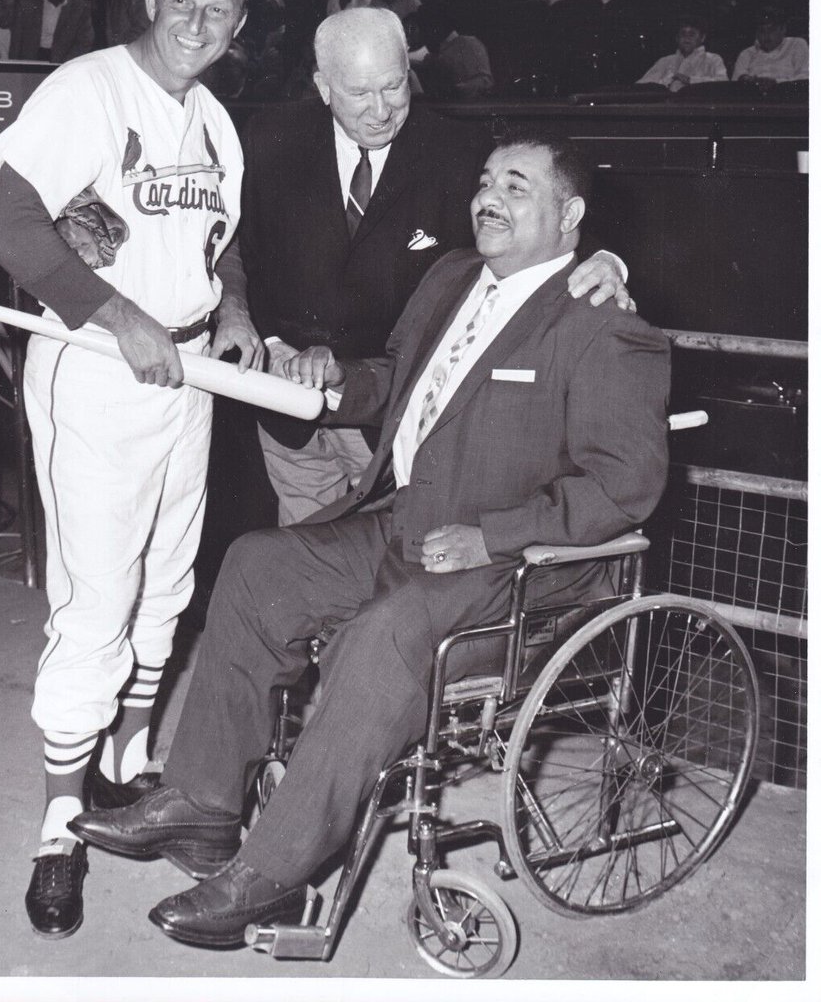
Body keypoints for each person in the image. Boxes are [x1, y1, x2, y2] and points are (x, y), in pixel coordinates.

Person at [69, 129, 671, 949]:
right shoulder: (453, 274)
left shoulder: (601, 323)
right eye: (486, 178)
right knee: (257, 566)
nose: (488, 197)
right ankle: (203, 805)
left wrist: (493, 536)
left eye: (517, 187)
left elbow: (622, 486)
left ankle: (274, 872)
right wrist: (334, 377)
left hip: (519, 567)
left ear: (569, 215)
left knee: (380, 638)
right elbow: (400, 381)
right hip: (405, 521)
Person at [0, 0, 260, 940]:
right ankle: (58, 826)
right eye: (181, 1)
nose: (197, 24)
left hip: (188, 374)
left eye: (217, 10)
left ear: (239, 22)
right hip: (97, 369)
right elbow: (8, 225)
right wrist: (117, 315)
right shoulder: (86, 89)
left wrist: (230, 310)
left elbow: (219, 244)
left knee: (166, 583)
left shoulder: (216, 122)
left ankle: (131, 772)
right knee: (95, 597)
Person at [218, 7, 629, 526]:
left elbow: (550, 217)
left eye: (393, 87)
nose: (380, 111)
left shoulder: (461, 152)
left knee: (397, 556)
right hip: (283, 402)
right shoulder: (268, 137)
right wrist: (273, 343)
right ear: (323, 87)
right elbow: (241, 246)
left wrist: (606, 259)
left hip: (392, 411)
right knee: (303, 555)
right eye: (359, 94)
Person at [9, 0, 94, 63]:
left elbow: (84, 42)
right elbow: (16, 40)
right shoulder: (27, 2)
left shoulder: (80, 7)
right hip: (31, 59)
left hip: (64, 61)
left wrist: (65, 64)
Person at [637, 17, 727, 92]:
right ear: (677, 38)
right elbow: (642, 85)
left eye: (692, 34)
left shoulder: (713, 59)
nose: (686, 38)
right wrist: (667, 81)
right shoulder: (665, 61)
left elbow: (723, 83)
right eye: (683, 34)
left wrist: (690, 80)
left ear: (702, 38)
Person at [732, 8, 808, 86]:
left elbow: (805, 77)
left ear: (783, 29)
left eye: (772, 30)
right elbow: (735, 83)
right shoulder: (746, 54)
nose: (766, 35)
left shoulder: (796, 45)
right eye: (761, 31)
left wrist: (776, 82)